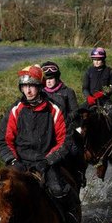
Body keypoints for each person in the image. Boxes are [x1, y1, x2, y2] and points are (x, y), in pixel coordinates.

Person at [0, 64, 80, 223]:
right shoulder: (15, 109)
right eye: (24, 86)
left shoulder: (54, 109)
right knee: (1, 193)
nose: (28, 91)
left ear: (40, 87)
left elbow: (65, 139)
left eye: (32, 86)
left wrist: (48, 160)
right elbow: (4, 140)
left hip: (46, 162)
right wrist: (13, 161)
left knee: (58, 190)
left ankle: (68, 219)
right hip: (20, 162)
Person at [41, 60, 86, 188]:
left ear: (57, 77)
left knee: (75, 150)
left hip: (66, 130)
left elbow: (75, 111)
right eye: (46, 79)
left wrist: (64, 118)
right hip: (47, 131)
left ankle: (79, 174)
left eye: (51, 78)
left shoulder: (68, 92)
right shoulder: (41, 94)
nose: (49, 81)